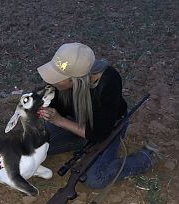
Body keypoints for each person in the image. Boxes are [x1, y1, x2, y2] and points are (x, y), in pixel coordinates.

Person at [37, 42, 160, 189]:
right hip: (77, 123)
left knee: (95, 178)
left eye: (58, 76)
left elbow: (100, 133)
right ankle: (83, 144)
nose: (51, 80)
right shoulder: (65, 84)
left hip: (107, 129)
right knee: (39, 147)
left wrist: (59, 121)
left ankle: (145, 157)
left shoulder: (109, 82)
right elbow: (57, 105)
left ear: (76, 80)